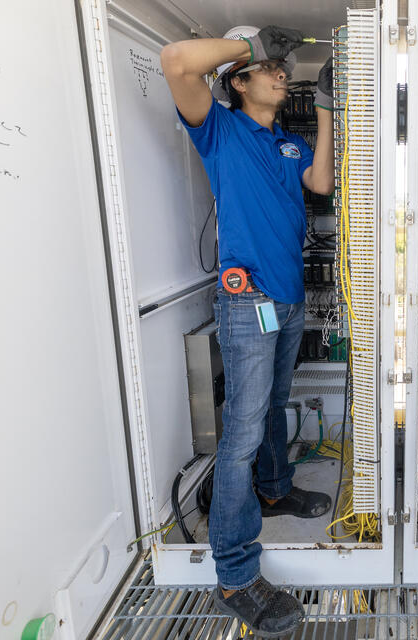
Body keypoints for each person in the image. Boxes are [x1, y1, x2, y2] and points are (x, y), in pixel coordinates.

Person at [161, 25, 335, 637]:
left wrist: (325, 109)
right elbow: (177, 60)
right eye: (271, 70)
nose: (281, 74)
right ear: (239, 83)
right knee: (239, 432)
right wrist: (248, 44)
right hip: (248, 300)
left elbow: (321, 185)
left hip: (287, 301)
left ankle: (273, 489)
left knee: (272, 408)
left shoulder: (287, 145)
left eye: (283, 69)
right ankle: (235, 574)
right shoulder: (219, 130)